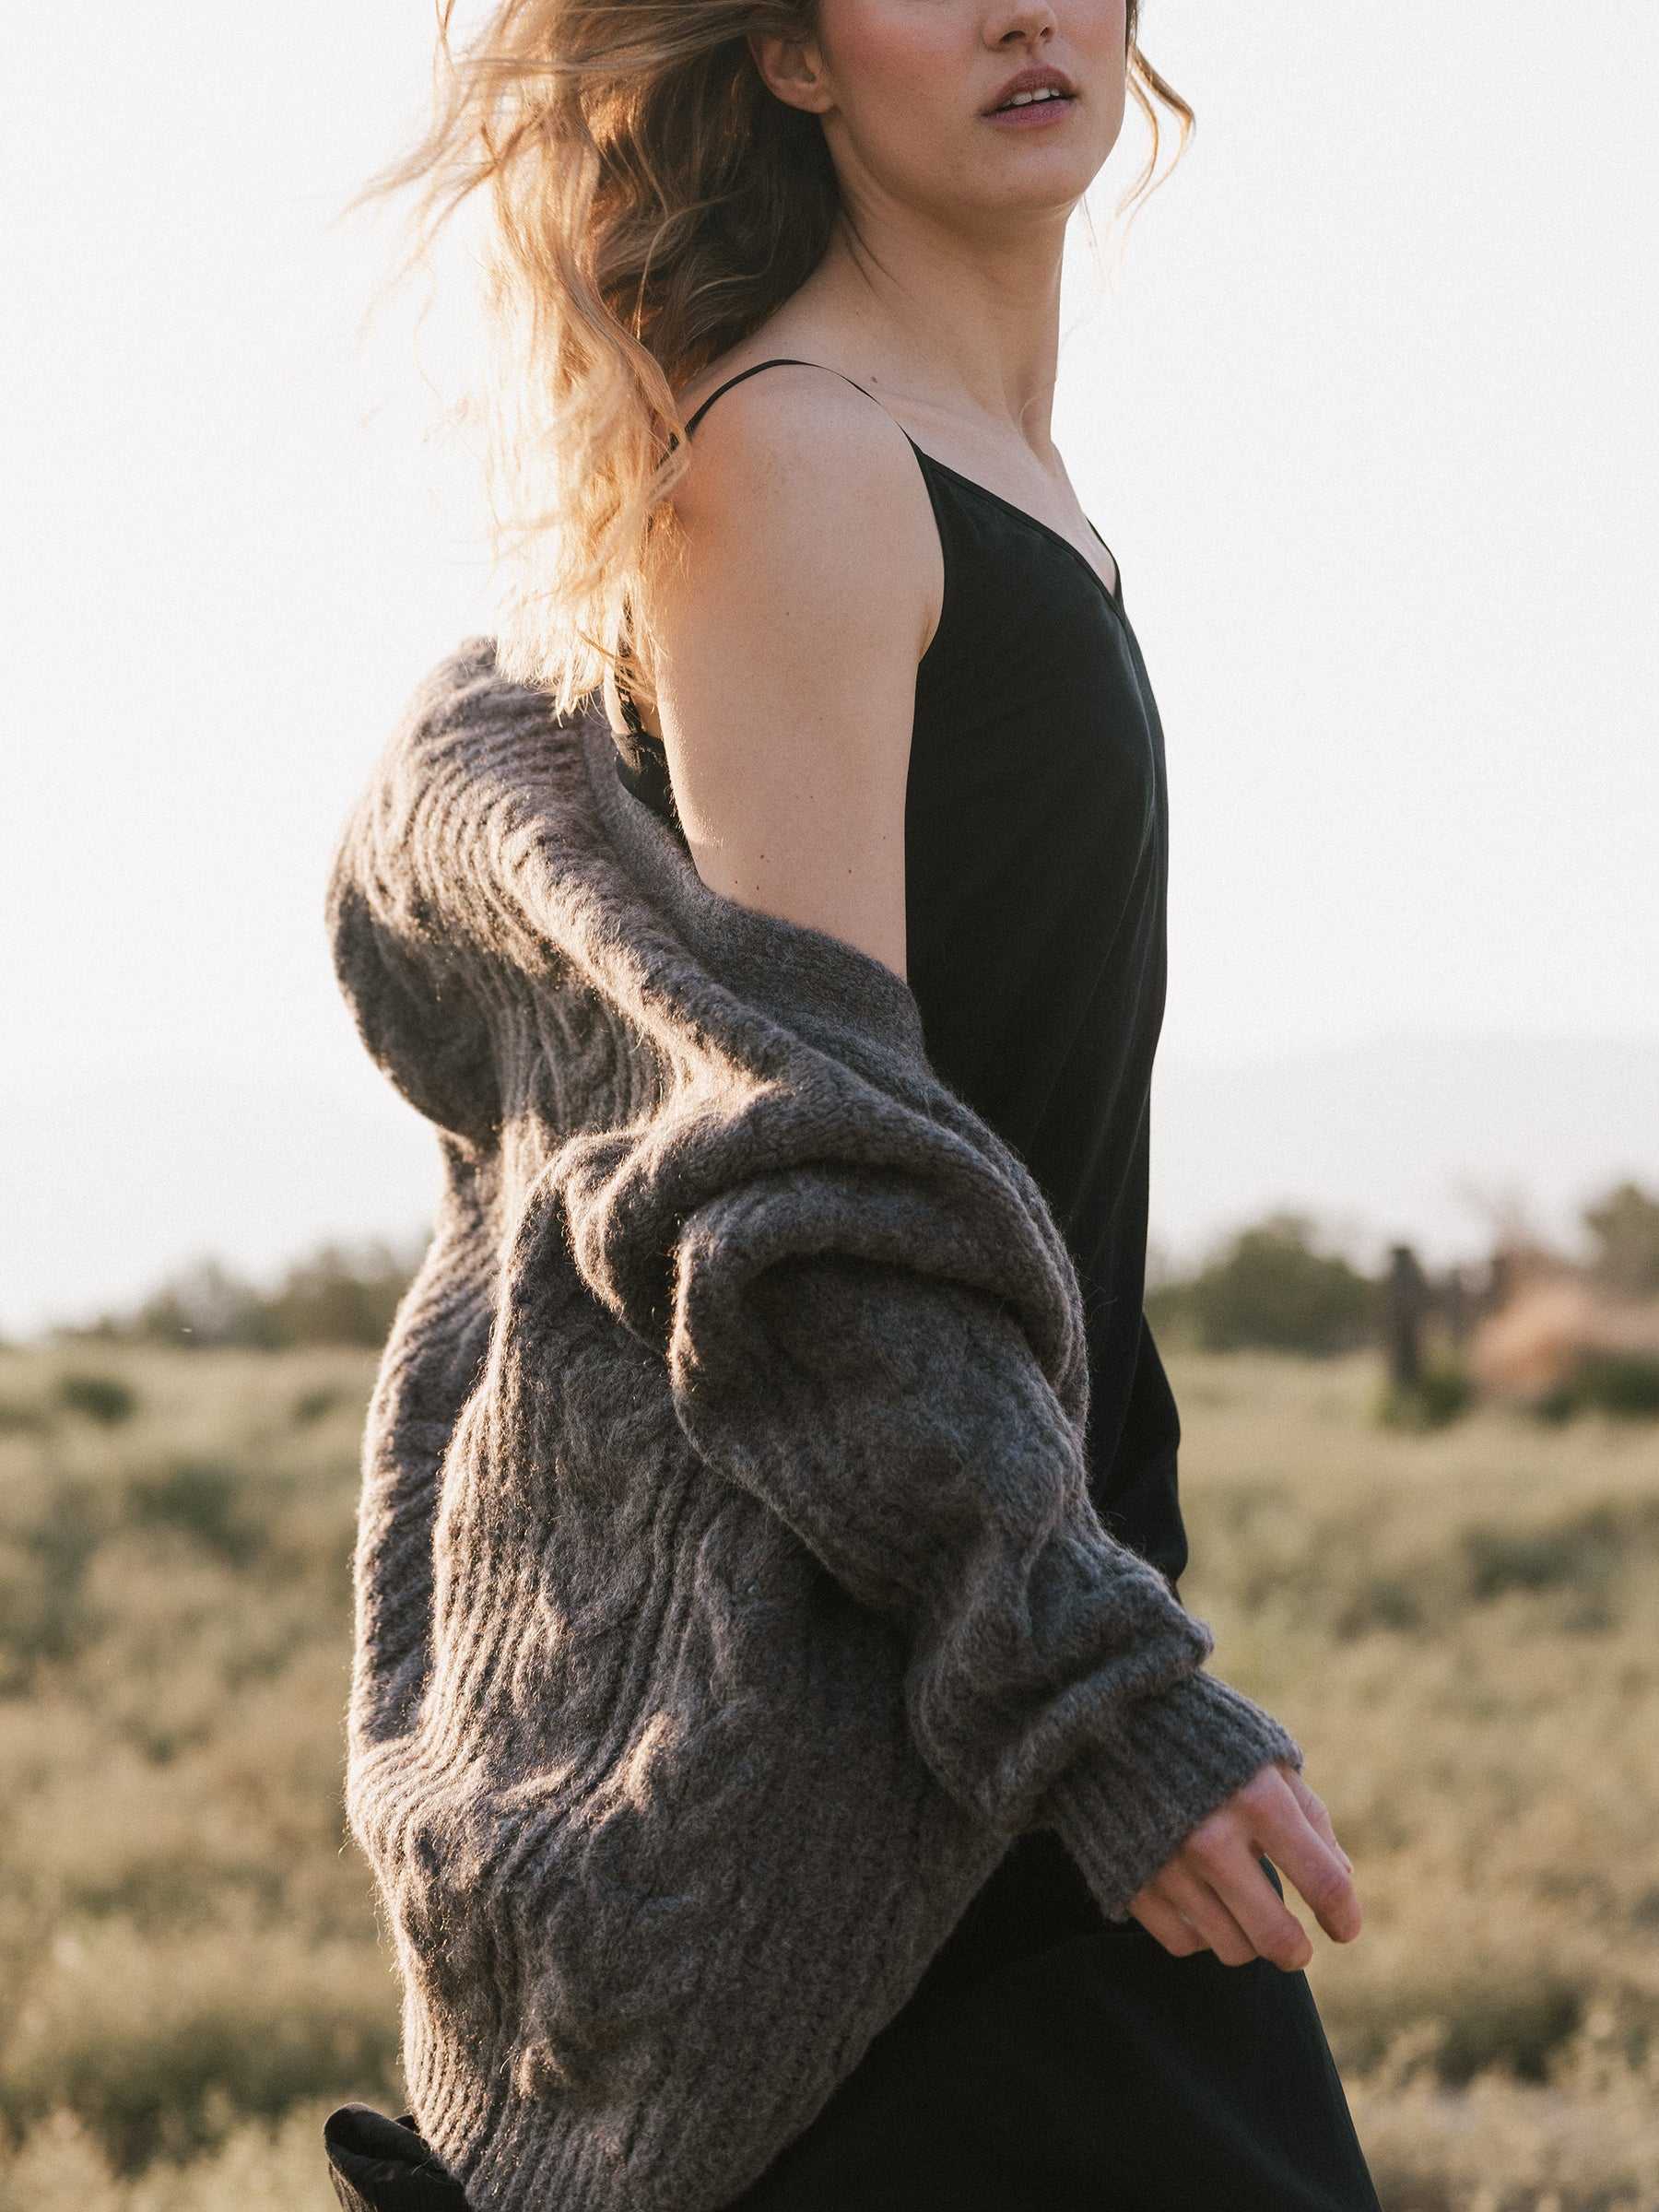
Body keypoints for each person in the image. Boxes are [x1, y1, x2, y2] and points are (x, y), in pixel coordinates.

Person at [324, 2, 1383, 2206]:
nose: (1019, 7)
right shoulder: (802, 466)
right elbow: (794, 1191)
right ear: (794, 60)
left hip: (996, 1685)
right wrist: (1099, 1701)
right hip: (899, 1771)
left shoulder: (998, 488)